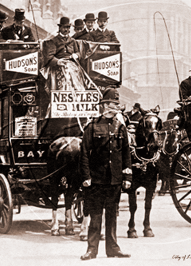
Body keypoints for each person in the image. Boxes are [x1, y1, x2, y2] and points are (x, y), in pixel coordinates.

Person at [80, 88, 132, 260]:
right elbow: (85, 153)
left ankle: (113, 249)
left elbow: (126, 155)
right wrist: (86, 176)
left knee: (112, 216)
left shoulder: (121, 127)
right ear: (103, 106)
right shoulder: (92, 126)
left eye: (117, 104)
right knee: (95, 216)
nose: (115, 107)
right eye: (111, 104)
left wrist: (127, 177)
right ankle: (91, 250)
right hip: (96, 180)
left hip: (114, 180)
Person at [42, 17, 83, 92]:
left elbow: (78, 53)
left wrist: (76, 55)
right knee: (66, 72)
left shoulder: (73, 41)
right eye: (64, 27)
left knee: (74, 71)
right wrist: (58, 61)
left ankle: (76, 94)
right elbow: (49, 57)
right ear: (60, 28)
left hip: (72, 64)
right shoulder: (53, 41)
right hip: (58, 65)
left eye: (68, 27)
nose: (66, 30)